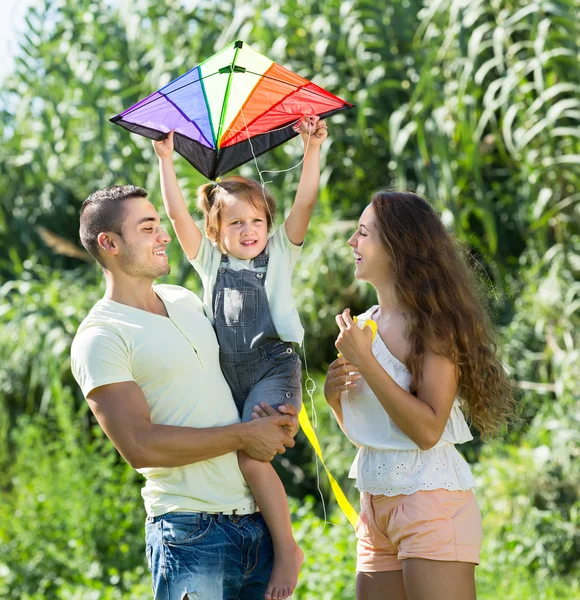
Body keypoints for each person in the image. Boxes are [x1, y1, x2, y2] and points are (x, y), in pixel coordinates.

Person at [70, 184, 300, 600]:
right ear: (109, 243)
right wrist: (246, 436)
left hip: (256, 522)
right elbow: (140, 446)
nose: (163, 236)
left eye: (159, 224)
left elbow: (240, 373)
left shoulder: (186, 300)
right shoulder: (101, 336)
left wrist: (276, 416)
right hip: (189, 533)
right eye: (147, 228)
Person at [152, 115, 328, 600]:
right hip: (228, 378)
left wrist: (311, 149)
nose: (249, 230)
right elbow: (176, 218)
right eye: (236, 222)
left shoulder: (281, 254)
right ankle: (249, 542)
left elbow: (306, 201)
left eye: (257, 220)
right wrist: (166, 161)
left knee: (252, 459)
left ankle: (288, 548)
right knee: (235, 456)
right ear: (216, 232)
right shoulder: (210, 262)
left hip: (273, 366)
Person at [323, 191, 517, 600]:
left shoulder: (432, 328)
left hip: (430, 503)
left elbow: (427, 430)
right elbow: (376, 434)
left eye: (362, 234)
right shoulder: (363, 326)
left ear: (397, 248)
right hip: (375, 509)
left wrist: (366, 361)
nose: (351, 243)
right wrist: (334, 399)